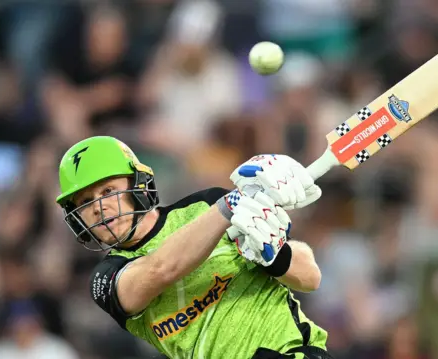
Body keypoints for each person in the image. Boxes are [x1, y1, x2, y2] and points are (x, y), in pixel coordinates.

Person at [55, 135, 331, 359]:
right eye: (85, 202)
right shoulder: (106, 277)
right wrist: (232, 204)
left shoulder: (205, 205)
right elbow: (160, 269)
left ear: (137, 185)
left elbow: (310, 277)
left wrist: (273, 254)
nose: (98, 209)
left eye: (108, 191)